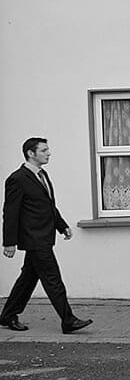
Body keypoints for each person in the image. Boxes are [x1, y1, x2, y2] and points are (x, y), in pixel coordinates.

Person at [0, 138, 92, 334]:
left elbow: (48, 206)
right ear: (31, 154)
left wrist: (62, 225)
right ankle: (68, 320)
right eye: (44, 150)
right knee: (53, 279)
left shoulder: (42, 175)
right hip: (34, 238)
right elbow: (10, 212)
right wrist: (9, 242)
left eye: (47, 149)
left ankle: (8, 315)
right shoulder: (17, 179)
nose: (49, 153)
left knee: (28, 278)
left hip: (43, 235)